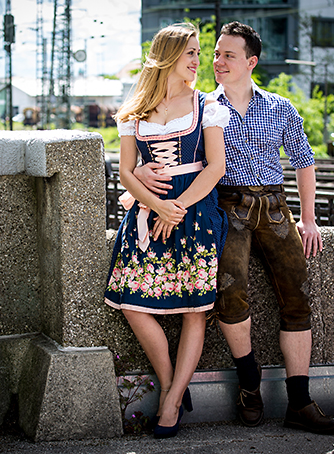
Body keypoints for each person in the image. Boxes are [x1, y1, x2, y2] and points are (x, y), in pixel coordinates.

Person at [134, 21, 334, 434]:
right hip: (227, 206)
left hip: (276, 206)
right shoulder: (201, 107)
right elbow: (171, 149)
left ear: (251, 61)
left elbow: (304, 161)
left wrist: (310, 218)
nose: (217, 61)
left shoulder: (280, 106)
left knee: (297, 295)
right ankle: (249, 382)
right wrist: (141, 168)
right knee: (229, 294)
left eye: (228, 55)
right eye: (214, 54)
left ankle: (299, 402)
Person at [104, 22, 229, 439]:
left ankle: (172, 401)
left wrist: (175, 207)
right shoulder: (136, 110)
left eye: (198, 52)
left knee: (196, 308)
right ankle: (172, 381)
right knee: (132, 302)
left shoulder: (206, 106)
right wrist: (156, 204)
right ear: (169, 56)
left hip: (194, 212)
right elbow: (124, 170)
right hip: (148, 213)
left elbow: (215, 167)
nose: (198, 60)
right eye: (191, 52)